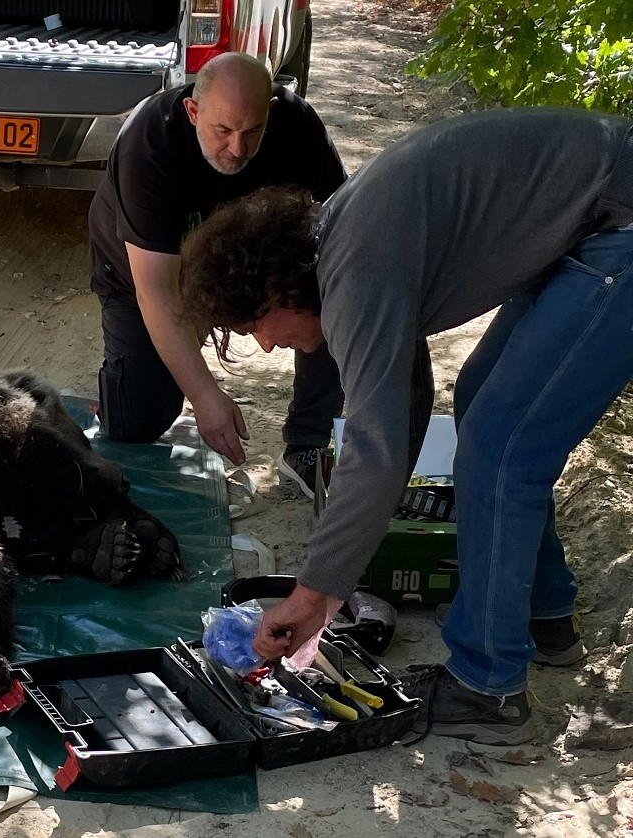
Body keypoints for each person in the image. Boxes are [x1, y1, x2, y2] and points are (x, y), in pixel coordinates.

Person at [179, 107, 633, 745]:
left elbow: (376, 445)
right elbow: (404, 404)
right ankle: (542, 613)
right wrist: (339, 564)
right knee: (481, 402)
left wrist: (315, 594)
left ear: (277, 294)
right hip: (590, 214)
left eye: (254, 329)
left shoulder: (354, 271)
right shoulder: (341, 241)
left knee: (501, 448)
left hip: (620, 221)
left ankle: (488, 687)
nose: (268, 347)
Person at [87, 52, 346, 493]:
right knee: (137, 422)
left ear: (271, 112)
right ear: (193, 111)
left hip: (247, 266)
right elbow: (158, 293)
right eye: (222, 131)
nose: (238, 149)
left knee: (330, 290)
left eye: (253, 131)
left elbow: (342, 232)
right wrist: (206, 398)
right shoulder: (149, 143)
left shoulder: (298, 125)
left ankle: (308, 441)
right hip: (147, 276)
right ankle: (124, 382)